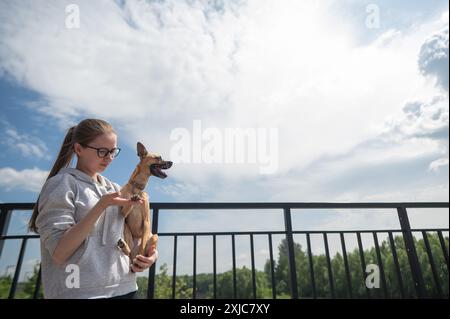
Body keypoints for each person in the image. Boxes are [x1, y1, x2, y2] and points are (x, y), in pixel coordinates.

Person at [28, 118, 158, 299]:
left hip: (126, 287)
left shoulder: (113, 189)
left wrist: (149, 255)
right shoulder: (61, 184)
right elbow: (59, 252)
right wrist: (101, 205)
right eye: (102, 151)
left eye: (113, 151)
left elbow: (132, 234)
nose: (109, 158)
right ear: (78, 149)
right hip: (80, 292)